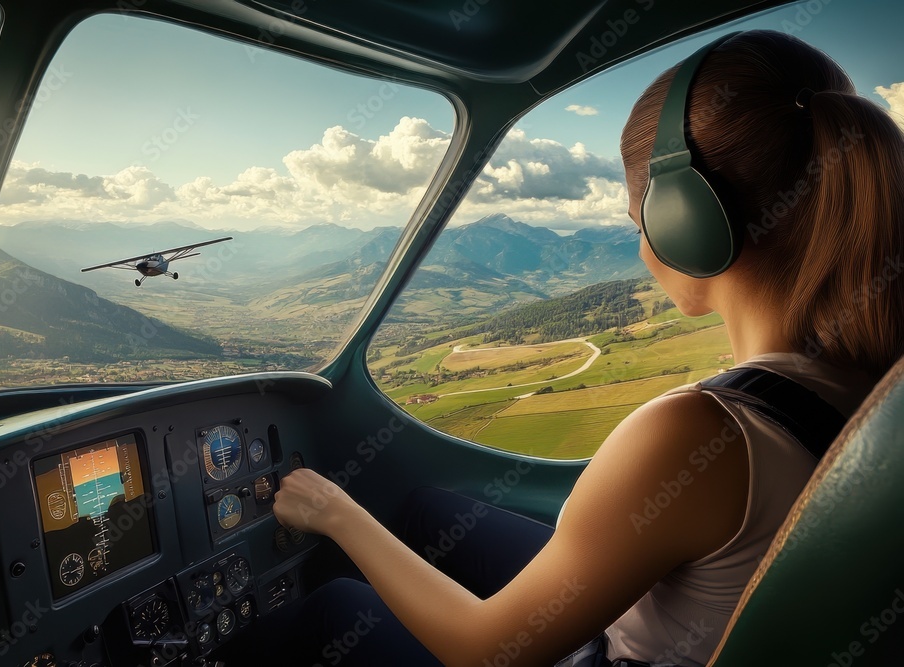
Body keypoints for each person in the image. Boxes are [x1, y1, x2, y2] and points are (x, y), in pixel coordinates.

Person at [258, 30, 904, 666]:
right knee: (430, 511)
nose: (642, 245)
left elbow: (487, 651)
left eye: (637, 219)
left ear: (686, 219)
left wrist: (337, 513)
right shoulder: (873, 383)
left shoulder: (698, 430)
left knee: (336, 606)